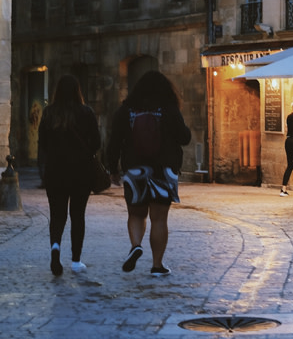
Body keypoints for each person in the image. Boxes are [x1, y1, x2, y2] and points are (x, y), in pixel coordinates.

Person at [107, 71, 191, 277]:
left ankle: (136, 245)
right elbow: (184, 137)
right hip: (164, 170)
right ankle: (157, 265)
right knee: (159, 219)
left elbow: (114, 141)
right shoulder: (169, 109)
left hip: (135, 170)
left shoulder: (126, 110)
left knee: (136, 214)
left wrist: (113, 168)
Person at [38, 74, 101, 276]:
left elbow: (43, 144)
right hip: (80, 172)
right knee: (77, 215)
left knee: (57, 215)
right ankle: (75, 260)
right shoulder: (86, 112)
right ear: (77, 91)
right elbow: (97, 143)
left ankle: (55, 248)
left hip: (55, 171)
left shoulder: (49, 113)